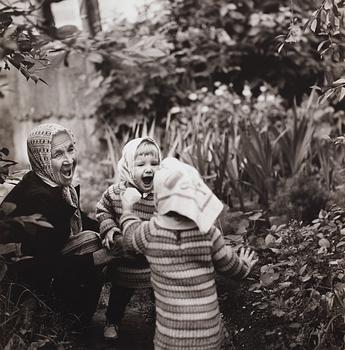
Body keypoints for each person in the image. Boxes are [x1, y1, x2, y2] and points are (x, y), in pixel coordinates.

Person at [119, 157, 258, 350]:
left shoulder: (151, 232)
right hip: (208, 337)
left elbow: (129, 239)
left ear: (158, 201)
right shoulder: (208, 233)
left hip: (170, 339)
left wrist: (127, 210)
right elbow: (229, 266)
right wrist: (244, 267)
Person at [1, 123, 114, 325]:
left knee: (97, 237)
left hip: (44, 263)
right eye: (58, 154)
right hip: (25, 282)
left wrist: (110, 229)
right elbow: (45, 265)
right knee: (93, 246)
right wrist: (104, 257)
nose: (69, 160)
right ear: (42, 158)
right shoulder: (39, 199)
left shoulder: (51, 184)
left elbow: (78, 219)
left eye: (70, 149)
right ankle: (65, 319)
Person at [96, 136, 161, 340]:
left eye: (154, 163)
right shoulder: (116, 193)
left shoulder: (161, 195)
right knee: (120, 294)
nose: (148, 169)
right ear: (127, 168)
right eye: (141, 164)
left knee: (160, 295)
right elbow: (103, 211)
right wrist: (109, 230)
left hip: (152, 259)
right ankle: (112, 321)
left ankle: (164, 324)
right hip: (124, 257)